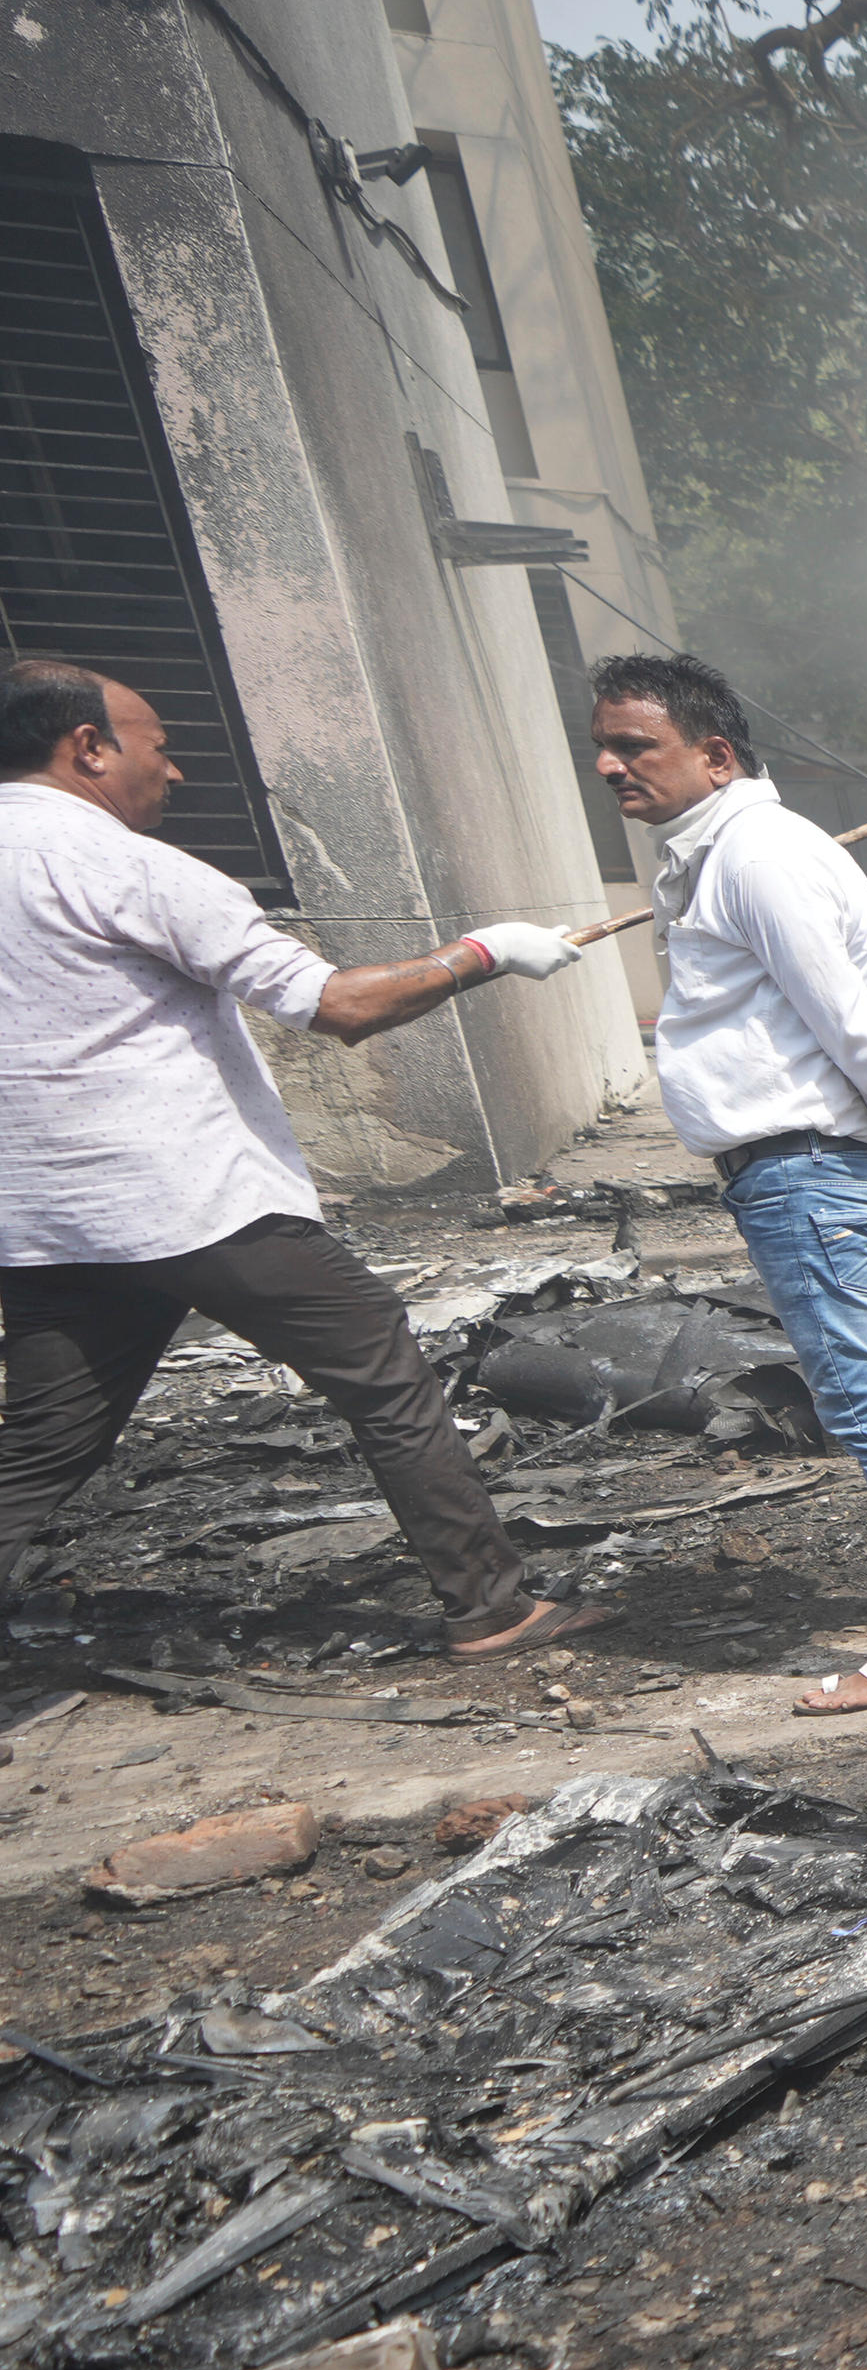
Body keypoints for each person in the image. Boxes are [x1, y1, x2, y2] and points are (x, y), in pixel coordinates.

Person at [0, 659, 605, 1657]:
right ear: (88, 748)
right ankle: (492, 1610)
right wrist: (486, 952)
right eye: (161, 747)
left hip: (44, 1220)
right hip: (194, 1199)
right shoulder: (130, 867)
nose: (178, 774)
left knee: (41, 1446)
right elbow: (340, 1006)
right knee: (382, 1369)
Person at [593, 654, 867, 1710]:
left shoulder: (756, 855)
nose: (613, 769)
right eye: (604, 750)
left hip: (804, 1172)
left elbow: (846, 1021)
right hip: (809, 1168)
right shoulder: (722, 853)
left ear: (714, 755)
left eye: (635, 747)